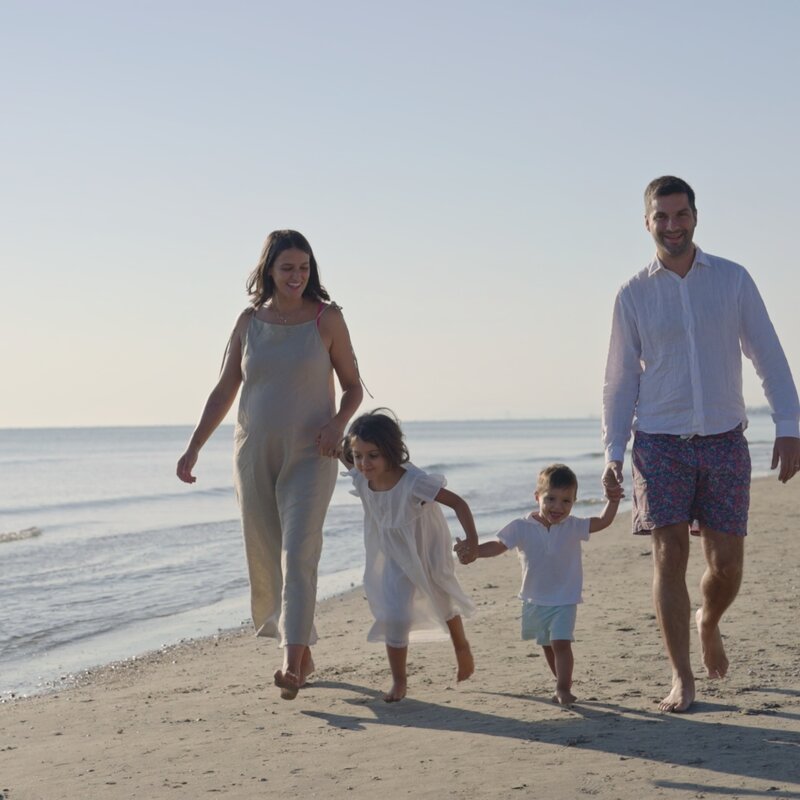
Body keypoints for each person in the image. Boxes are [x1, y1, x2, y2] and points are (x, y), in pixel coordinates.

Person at [602, 176, 800, 713]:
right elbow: (620, 380)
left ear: (695, 216)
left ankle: (709, 619)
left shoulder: (732, 280)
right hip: (659, 442)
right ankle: (681, 678)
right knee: (669, 554)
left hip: (723, 441)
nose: (672, 225)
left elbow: (768, 354)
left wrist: (789, 423)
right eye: (661, 217)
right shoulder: (633, 294)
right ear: (647, 223)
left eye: (680, 214)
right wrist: (612, 452)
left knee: (728, 564)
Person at [176, 229, 363, 700]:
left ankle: (290, 662)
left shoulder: (327, 319)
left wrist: (338, 423)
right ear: (269, 271)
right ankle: (301, 648)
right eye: (287, 268)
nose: (296, 276)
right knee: (266, 553)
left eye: (303, 267)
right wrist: (194, 446)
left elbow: (354, 386)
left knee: (299, 551)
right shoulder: (248, 322)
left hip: (311, 454)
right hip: (253, 452)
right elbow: (225, 390)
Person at [456, 463, 621, 707]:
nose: (558, 507)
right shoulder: (521, 526)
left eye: (566, 501)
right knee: (546, 645)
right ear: (537, 497)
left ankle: (563, 688)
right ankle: (561, 682)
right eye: (551, 499)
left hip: (565, 598)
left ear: (574, 502)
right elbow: (498, 546)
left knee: (561, 643)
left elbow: (604, 521)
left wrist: (613, 499)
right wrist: (474, 552)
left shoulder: (574, 525)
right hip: (534, 598)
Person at [342, 409, 478, 702]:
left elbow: (458, 503)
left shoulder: (415, 481)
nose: (364, 464)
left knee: (439, 594)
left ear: (391, 451)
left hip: (425, 546)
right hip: (388, 550)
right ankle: (399, 680)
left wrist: (473, 542)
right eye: (357, 455)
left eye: (373, 455)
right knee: (394, 613)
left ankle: (461, 646)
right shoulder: (361, 474)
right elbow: (332, 447)